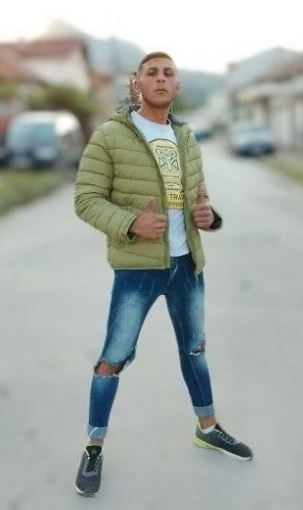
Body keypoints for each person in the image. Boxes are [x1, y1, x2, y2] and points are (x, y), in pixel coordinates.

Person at [73, 51, 252, 497]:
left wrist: (210, 217)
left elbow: (199, 200)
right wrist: (131, 222)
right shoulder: (111, 136)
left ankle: (207, 428)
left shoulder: (186, 137)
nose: (160, 78)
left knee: (194, 349)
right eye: (151, 72)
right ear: (137, 83)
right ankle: (93, 447)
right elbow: (86, 199)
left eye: (168, 73)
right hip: (138, 268)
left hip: (186, 264)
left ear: (177, 86)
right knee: (113, 358)